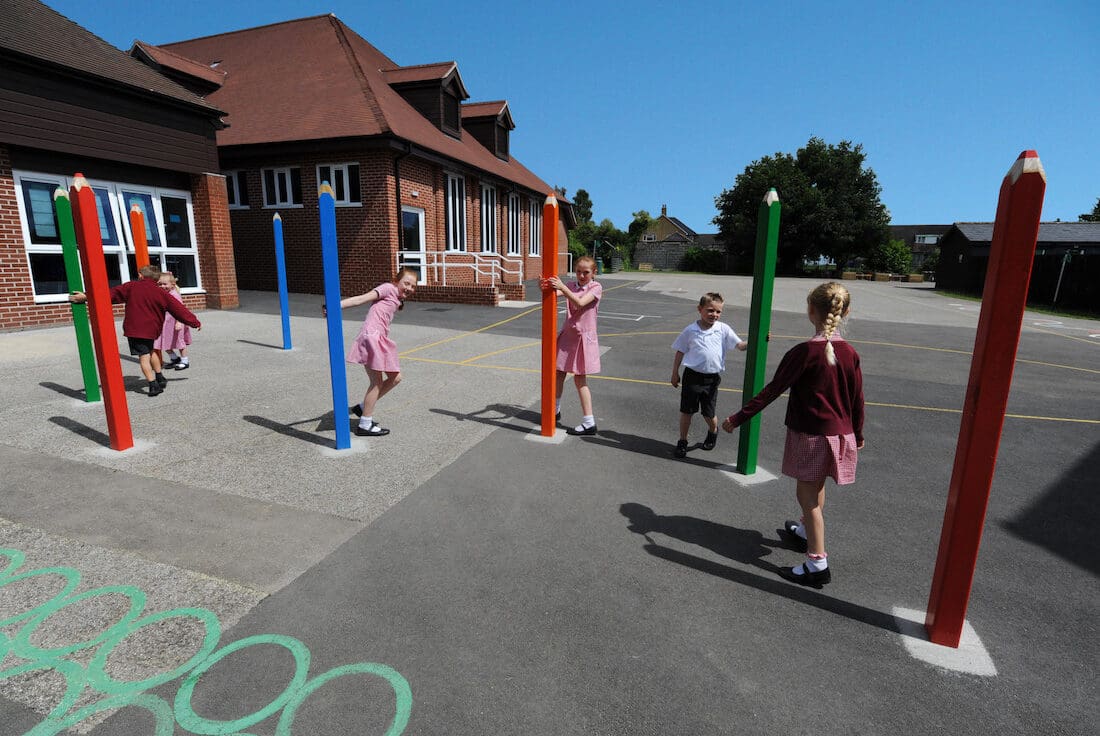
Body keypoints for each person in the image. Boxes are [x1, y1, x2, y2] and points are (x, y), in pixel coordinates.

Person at [722, 282, 864, 587]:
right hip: (841, 436)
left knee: (807, 496)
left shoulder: (804, 352)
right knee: (816, 488)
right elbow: (857, 399)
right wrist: (859, 433)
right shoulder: (850, 352)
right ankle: (804, 531)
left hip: (812, 436)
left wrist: (739, 417)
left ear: (810, 310)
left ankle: (817, 564)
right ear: (846, 312)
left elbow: (773, 390)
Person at [69, 264, 201, 397]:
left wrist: (86, 296)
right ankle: (160, 376)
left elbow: (108, 294)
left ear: (140, 275)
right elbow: (178, 309)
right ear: (157, 279)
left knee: (144, 357)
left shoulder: (131, 287)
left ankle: (153, 385)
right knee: (152, 351)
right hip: (152, 329)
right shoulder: (160, 292)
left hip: (135, 330)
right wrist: (194, 322)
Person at [337, 267, 418, 437]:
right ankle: (365, 424)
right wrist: (334, 306)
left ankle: (361, 408)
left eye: (413, 286)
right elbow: (361, 299)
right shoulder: (388, 288)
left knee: (396, 378)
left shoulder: (396, 297)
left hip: (379, 339)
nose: (410, 288)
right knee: (376, 383)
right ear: (396, 282)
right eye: (407, 283)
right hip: (371, 338)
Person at [670, 292, 748, 458]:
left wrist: (757, 338)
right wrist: (675, 373)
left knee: (708, 413)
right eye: (710, 310)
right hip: (692, 377)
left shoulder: (723, 329)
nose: (714, 315)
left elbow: (740, 345)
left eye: (718, 312)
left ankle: (713, 431)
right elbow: (680, 351)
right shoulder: (690, 330)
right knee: (687, 411)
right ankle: (682, 441)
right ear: (700, 309)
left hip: (711, 379)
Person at [543, 256, 602, 435]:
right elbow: (553, 293)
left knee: (580, 380)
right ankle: (555, 410)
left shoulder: (596, 287)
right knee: (558, 373)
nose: (582, 275)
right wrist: (545, 286)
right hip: (568, 336)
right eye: (578, 272)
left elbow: (579, 302)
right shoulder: (571, 285)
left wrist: (561, 287)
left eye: (586, 272)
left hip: (583, 339)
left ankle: (589, 422)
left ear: (594, 273)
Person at [154, 271, 193, 370]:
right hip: (165, 324)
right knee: (164, 342)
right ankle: (174, 358)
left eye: (165, 284)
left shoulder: (175, 295)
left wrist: (179, 322)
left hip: (175, 323)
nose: (162, 286)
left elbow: (180, 310)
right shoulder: (162, 294)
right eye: (160, 284)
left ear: (172, 285)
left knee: (179, 342)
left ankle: (185, 361)